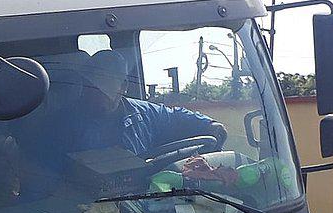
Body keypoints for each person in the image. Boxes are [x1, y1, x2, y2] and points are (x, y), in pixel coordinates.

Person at [71, 49, 225, 156]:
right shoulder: (64, 124)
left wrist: (208, 125)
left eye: (105, 84)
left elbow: (175, 117)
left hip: (143, 196)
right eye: (91, 85)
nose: (97, 92)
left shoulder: (142, 113)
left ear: (123, 86)